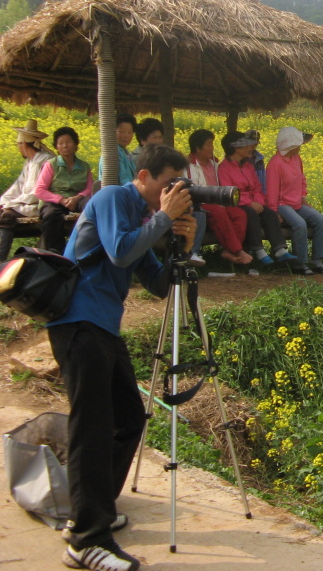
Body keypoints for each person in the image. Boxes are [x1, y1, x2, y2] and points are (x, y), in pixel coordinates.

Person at [46, 145, 196, 571]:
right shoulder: (113, 198)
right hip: (78, 322)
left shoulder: (141, 219)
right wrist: (164, 219)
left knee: (129, 418)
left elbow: (159, 284)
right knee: (91, 426)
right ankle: (85, 539)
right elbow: (118, 252)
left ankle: (93, 509)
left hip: (103, 328)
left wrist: (183, 244)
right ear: (144, 176)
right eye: (169, 184)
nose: (174, 192)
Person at [218, 131, 297, 269]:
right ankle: (259, 250)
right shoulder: (224, 168)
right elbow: (229, 192)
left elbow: (257, 188)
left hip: (254, 203)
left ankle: (280, 249)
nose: (250, 148)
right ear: (236, 148)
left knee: (270, 214)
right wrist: (249, 203)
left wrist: (259, 202)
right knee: (250, 213)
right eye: (246, 145)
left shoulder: (248, 167)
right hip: (237, 204)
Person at [266, 127, 323, 275]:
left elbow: (301, 179)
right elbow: (272, 190)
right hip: (282, 204)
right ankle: (299, 263)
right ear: (291, 145)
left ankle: (318, 260)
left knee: (320, 220)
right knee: (299, 224)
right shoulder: (275, 164)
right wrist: (274, 212)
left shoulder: (296, 159)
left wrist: (303, 197)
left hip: (297, 203)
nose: (301, 147)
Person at [186, 129, 252, 266]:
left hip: (218, 204)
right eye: (209, 144)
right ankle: (237, 250)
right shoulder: (188, 166)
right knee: (218, 211)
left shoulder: (216, 165)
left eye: (212, 144)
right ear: (197, 147)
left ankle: (229, 251)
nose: (212, 148)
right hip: (201, 204)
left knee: (240, 214)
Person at [0, 120, 54, 261]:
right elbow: (17, 187)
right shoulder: (30, 162)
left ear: (23, 144)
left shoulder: (44, 161)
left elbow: (36, 193)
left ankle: (1, 259)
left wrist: (11, 204)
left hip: (39, 204)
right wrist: (4, 201)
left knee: (7, 216)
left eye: (18, 144)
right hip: (26, 203)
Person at [35, 126, 93, 252]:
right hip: (54, 202)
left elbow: (89, 188)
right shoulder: (51, 164)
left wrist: (77, 198)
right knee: (51, 215)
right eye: (60, 143)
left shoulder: (84, 166)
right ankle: (55, 252)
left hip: (77, 199)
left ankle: (86, 247)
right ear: (56, 146)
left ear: (75, 144)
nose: (64, 146)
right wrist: (60, 200)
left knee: (91, 206)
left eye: (68, 142)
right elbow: (40, 190)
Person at [98, 113, 137, 186]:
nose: (126, 136)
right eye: (122, 132)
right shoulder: (114, 152)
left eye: (129, 132)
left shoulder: (126, 152)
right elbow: (123, 180)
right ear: (113, 132)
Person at [243, 128, 268, 193]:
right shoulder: (238, 158)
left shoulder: (259, 159)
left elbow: (263, 181)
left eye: (255, 144)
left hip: (258, 196)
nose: (252, 146)